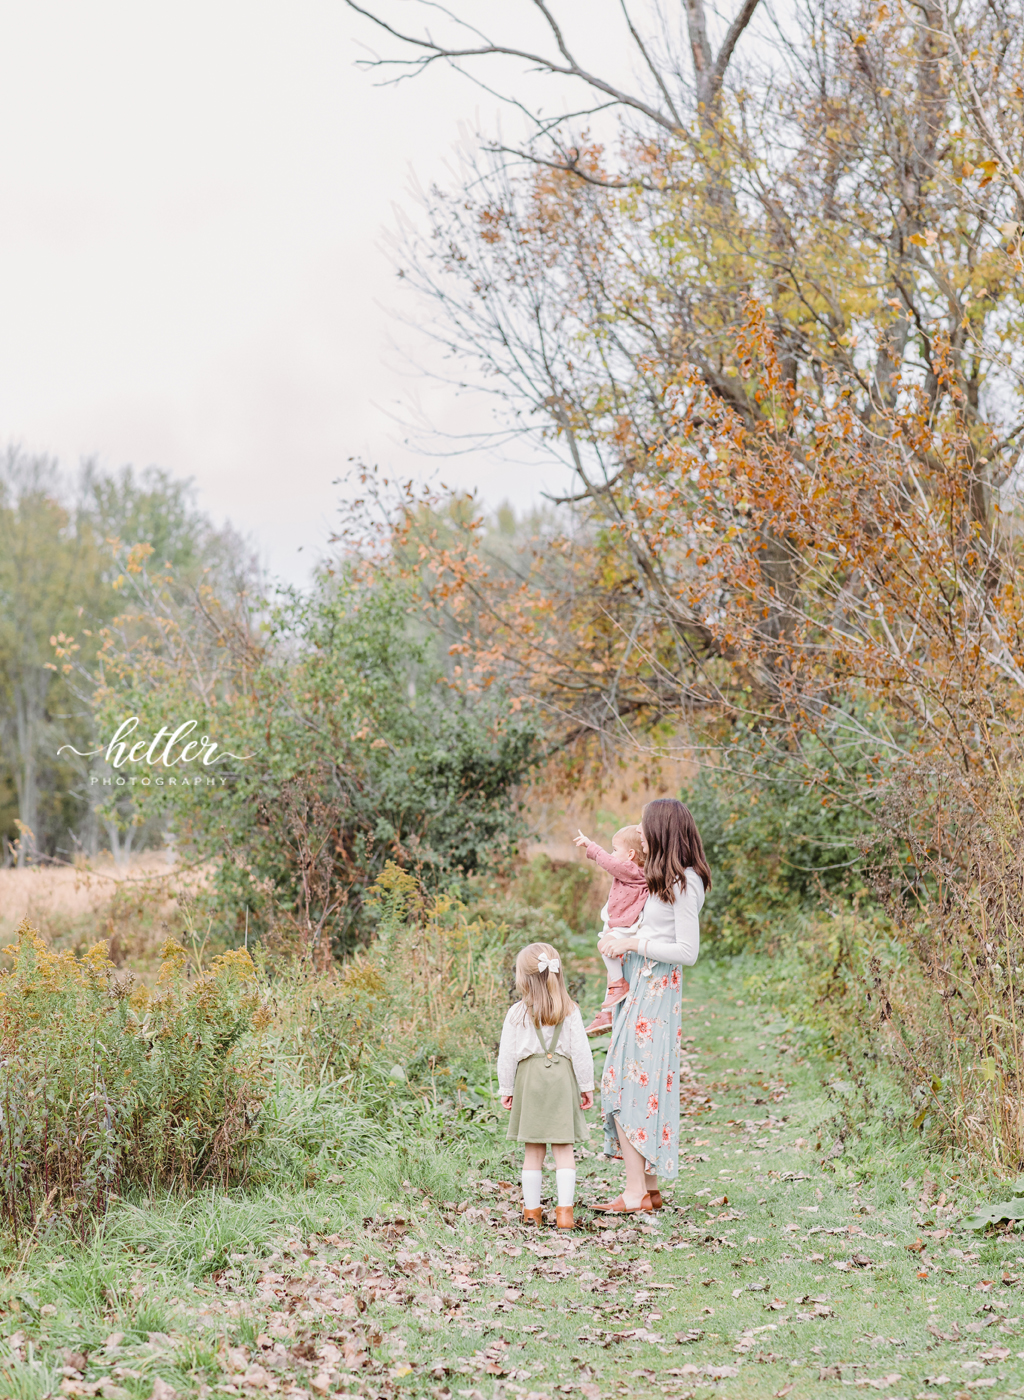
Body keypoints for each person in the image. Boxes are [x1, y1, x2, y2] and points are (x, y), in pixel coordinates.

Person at [593, 798, 711, 1214]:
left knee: (625, 1082)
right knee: (638, 1082)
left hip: (657, 989)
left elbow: (687, 950)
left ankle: (633, 1192)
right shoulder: (667, 878)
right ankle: (649, 1187)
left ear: (662, 830)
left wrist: (632, 942)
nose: (639, 835)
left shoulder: (687, 882)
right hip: (641, 983)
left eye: (645, 829)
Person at [497, 942, 595, 1230]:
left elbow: (507, 1055)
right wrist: (586, 1085)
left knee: (533, 1151)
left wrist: (507, 1089)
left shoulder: (516, 1013)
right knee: (564, 1149)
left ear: (523, 978)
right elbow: (581, 1052)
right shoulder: (570, 1010)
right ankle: (565, 1213)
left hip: (530, 1081)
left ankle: (531, 1212)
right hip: (562, 1080)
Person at [572, 825, 649, 1037]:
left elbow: (610, 863)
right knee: (610, 963)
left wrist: (591, 847)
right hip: (620, 923)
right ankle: (607, 1012)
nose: (612, 854)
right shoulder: (635, 872)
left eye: (615, 850)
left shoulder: (632, 869)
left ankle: (619, 984)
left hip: (625, 926)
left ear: (631, 855)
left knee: (604, 945)